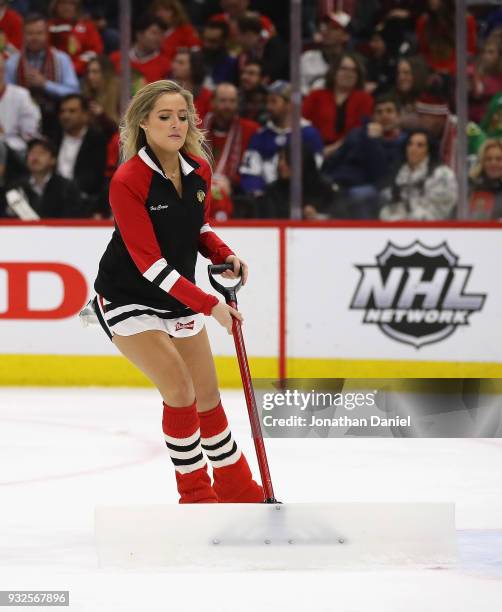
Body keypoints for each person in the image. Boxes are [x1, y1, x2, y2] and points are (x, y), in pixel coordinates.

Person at [92, 79, 264, 504]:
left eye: (183, 117)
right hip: (128, 298)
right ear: (144, 124)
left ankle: (235, 485)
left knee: (208, 395)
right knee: (181, 392)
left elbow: (198, 227)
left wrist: (224, 254)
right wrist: (211, 306)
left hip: (177, 297)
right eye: (164, 117)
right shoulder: (128, 180)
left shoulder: (198, 169)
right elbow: (150, 265)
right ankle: (195, 493)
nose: (176, 124)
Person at [322, 94, 406, 218]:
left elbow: (381, 175)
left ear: (398, 116)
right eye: (379, 112)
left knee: (359, 195)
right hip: (339, 181)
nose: (384, 116)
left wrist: (373, 141)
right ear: (373, 117)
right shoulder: (356, 133)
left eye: (389, 111)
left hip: (371, 186)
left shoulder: (404, 142)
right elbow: (335, 160)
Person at [239, 80, 323, 197]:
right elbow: (250, 172)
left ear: (290, 104)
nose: (268, 107)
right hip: (267, 200)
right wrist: (259, 194)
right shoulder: (260, 136)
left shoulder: (308, 134)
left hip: (301, 198)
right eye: (267, 101)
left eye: (274, 102)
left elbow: (314, 172)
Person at [5, 14, 79, 134]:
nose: (34, 37)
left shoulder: (61, 59)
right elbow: (6, 95)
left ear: (46, 35)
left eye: (39, 33)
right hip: (20, 119)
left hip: (56, 118)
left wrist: (45, 84)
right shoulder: (12, 63)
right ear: (23, 35)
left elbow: (74, 92)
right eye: (30, 33)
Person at [302, 52, 374, 155]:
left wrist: (332, 149)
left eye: (353, 70)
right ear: (334, 71)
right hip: (314, 151)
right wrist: (318, 151)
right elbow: (304, 125)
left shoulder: (365, 99)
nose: (348, 74)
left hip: (350, 153)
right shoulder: (315, 95)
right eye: (343, 69)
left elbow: (360, 132)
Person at [379, 129, 457, 220]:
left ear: (429, 150)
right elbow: (394, 204)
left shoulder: (442, 174)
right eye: (410, 144)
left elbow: (438, 211)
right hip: (400, 226)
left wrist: (407, 222)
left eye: (420, 145)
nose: (413, 149)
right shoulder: (401, 172)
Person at [1, 137, 84, 219]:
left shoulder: (66, 188)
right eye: (32, 152)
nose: (35, 157)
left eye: (41, 153)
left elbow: (72, 219)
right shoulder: (14, 187)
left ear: (53, 160)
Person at [54, 93, 107, 216]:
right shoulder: (53, 137)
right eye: (62, 111)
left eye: (72, 111)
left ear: (85, 114)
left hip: (83, 199)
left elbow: (95, 177)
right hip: (54, 196)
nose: (65, 115)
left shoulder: (96, 139)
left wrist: (69, 189)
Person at [202, 83, 259, 197]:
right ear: (212, 102)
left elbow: (253, 170)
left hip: (235, 195)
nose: (228, 106)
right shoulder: (197, 130)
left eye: (232, 101)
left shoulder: (251, 130)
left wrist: (232, 183)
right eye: (223, 101)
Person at [109, 16, 171, 93]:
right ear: (139, 34)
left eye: (161, 34)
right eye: (154, 33)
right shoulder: (116, 58)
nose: (159, 38)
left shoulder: (165, 64)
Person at [300, 11, 351, 94]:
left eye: (334, 29)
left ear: (345, 36)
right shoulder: (307, 58)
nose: (326, 31)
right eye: (325, 27)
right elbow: (299, 88)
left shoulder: (352, 63)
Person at [48, 0, 104, 76]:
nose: (67, 7)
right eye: (63, 3)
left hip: (84, 73)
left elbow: (95, 50)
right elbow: (47, 49)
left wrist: (77, 66)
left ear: (77, 6)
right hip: (57, 72)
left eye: (71, 3)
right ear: (55, 6)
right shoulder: (49, 27)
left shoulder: (87, 26)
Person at [236, 15, 289, 83]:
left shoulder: (276, 45)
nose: (237, 40)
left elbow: (270, 75)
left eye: (238, 35)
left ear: (248, 34)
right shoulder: (249, 51)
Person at [170, 48, 212, 121]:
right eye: (174, 62)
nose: (174, 66)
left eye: (181, 63)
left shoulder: (207, 96)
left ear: (194, 67)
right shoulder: (167, 93)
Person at [81, 55, 120, 131]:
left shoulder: (119, 94)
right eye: (89, 72)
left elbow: (120, 129)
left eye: (95, 72)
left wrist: (101, 116)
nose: (90, 76)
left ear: (106, 74)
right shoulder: (87, 95)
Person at [468, 138, 502, 220]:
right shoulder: (471, 189)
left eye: (499, 159)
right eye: (488, 159)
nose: (493, 163)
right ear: (482, 162)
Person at [201, 19, 238, 88]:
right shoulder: (196, 59)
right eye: (205, 40)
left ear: (224, 41)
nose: (206, 45)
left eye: (213, 41)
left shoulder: (232, 64)